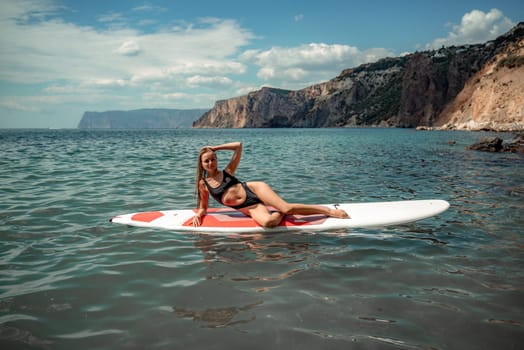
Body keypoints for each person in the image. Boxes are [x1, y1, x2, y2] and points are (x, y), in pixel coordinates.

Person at [192, 142, 349, 228]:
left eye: (213, 159)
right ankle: (279, 213)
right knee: (268, 223)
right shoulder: (203, 184)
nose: (211, 162)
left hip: (254, 189)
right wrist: (199, 214)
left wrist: (215, 148)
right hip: (250, 208)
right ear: (201, 163)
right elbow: (203, 207)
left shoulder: (227, 171)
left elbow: (238, 146)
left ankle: (328, 211)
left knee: (287, 207)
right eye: (207, 160)